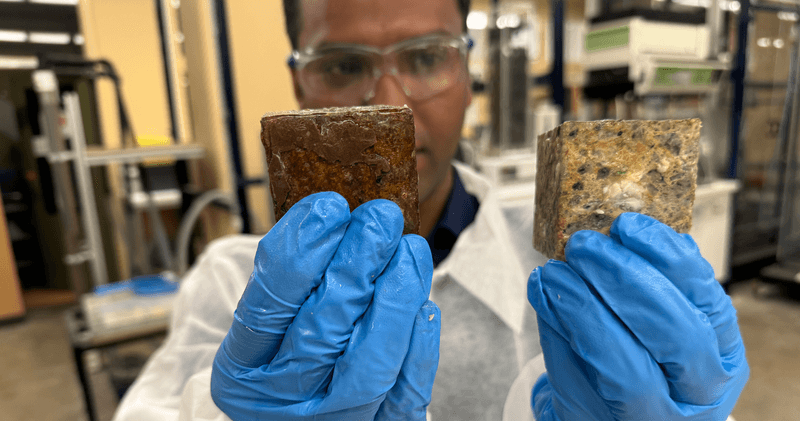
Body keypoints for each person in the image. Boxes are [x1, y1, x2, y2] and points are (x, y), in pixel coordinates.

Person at [112, 0, 749, 419]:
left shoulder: (567, 260)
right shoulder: (230, 283)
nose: (391, 103)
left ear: (467, 75)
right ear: (298, 85)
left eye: (424, 58)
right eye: (341, 65)